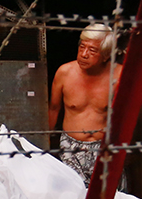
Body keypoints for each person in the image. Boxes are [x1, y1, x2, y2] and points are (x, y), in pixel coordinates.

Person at [48, 21, 124, 185]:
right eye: (82, 47)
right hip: (71, 148)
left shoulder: (119, 75)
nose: (84, 54)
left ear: (105, 55)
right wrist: (44, 143)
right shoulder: (65, 73)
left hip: (105, 146)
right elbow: (53, 109)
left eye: (92, 50)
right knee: (74, 197)